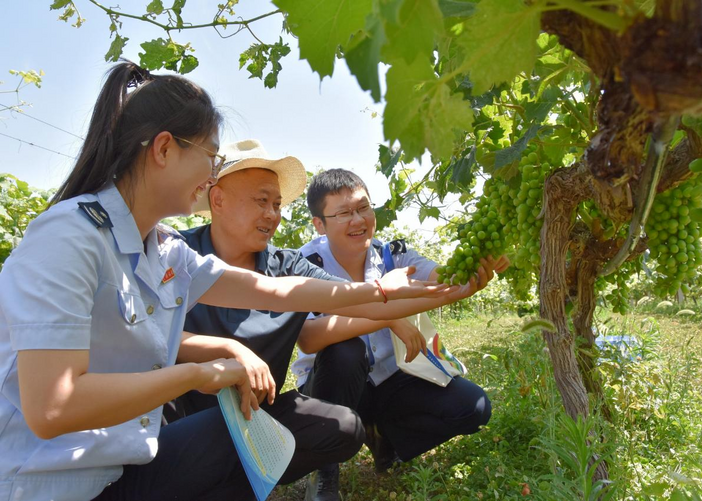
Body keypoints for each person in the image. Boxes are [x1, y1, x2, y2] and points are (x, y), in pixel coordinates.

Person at [0, 63, 448, 501]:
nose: (212, 172)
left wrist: (383, 290)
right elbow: (52, 408)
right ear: (163, 149)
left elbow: (276, 290)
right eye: (210, 156)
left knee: (247, 434)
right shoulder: (69, 238)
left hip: (122, 464)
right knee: (227, 434)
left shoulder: (162, 249)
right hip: (53, 482)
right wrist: (200, 371)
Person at [168, 139, 504, 501]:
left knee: (344, 429)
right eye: (261, 201)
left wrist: (451, 291)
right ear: (217, 200)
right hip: (179, 413)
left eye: (277, 204)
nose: (272, 214)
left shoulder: (288, 266)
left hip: (254, 416)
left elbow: (356, 298)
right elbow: (139, 335)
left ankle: (253, 471)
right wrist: (225, 348)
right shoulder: (175, 254)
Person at [292, 169, 511, 491]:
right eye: (343, 213)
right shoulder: (305, 265)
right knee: (344, 350)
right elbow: (310, 338)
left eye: (363, 208)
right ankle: (323, 473)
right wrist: (389, 317)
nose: (358, 220)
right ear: (319, 224)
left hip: (391, 378)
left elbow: (441, 279)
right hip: (332, 385)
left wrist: (475, 267)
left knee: (472, 407)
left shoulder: (392, 254)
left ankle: (384, 440)